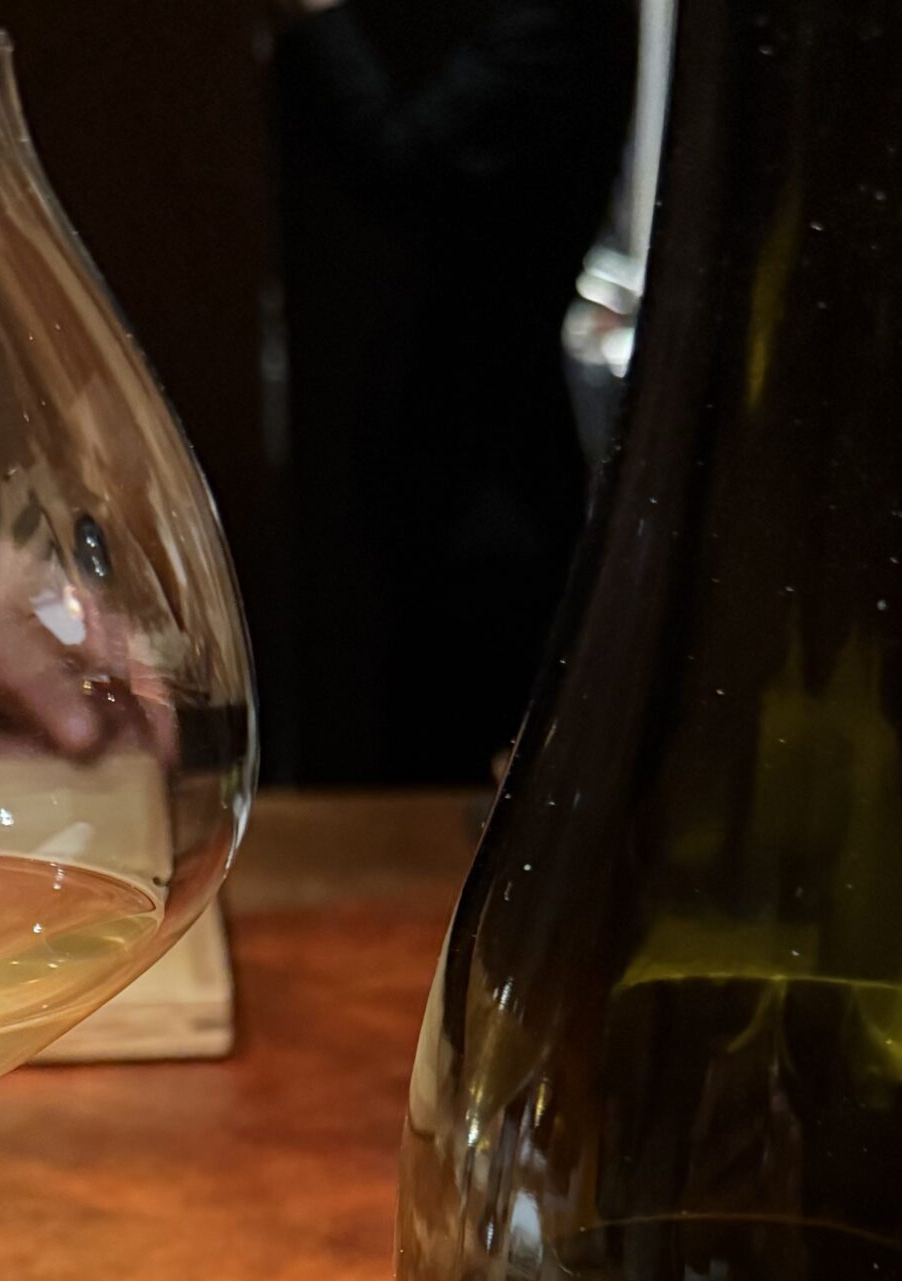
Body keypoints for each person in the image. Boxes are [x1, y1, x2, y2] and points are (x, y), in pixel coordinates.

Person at [274, 0, 637, 785]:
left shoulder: (557, 24)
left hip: (487, 468)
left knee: (456, 752)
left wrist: (310, 16)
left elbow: (399, 165)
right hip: (465, 457)